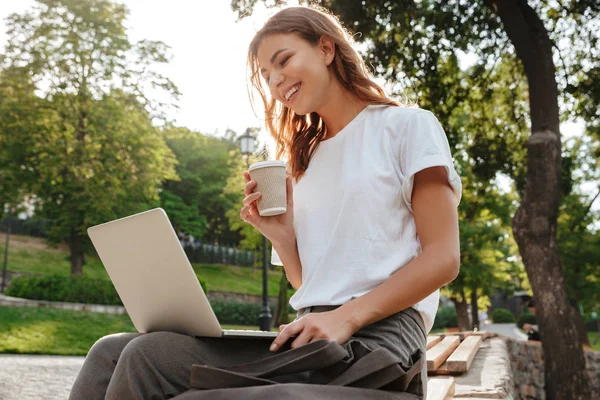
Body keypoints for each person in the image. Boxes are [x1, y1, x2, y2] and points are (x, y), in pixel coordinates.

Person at [69, 5, 461, 399]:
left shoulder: (407, 127)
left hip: (379, 343)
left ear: (326, 49)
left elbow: (443, 258)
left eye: (284, 60)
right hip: (310, 336)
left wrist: (347, 317)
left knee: (157, 368)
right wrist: (282, 237)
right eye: (266, 75)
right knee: (113, 353)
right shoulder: (303, 163)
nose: (276, 81)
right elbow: (309, 283)